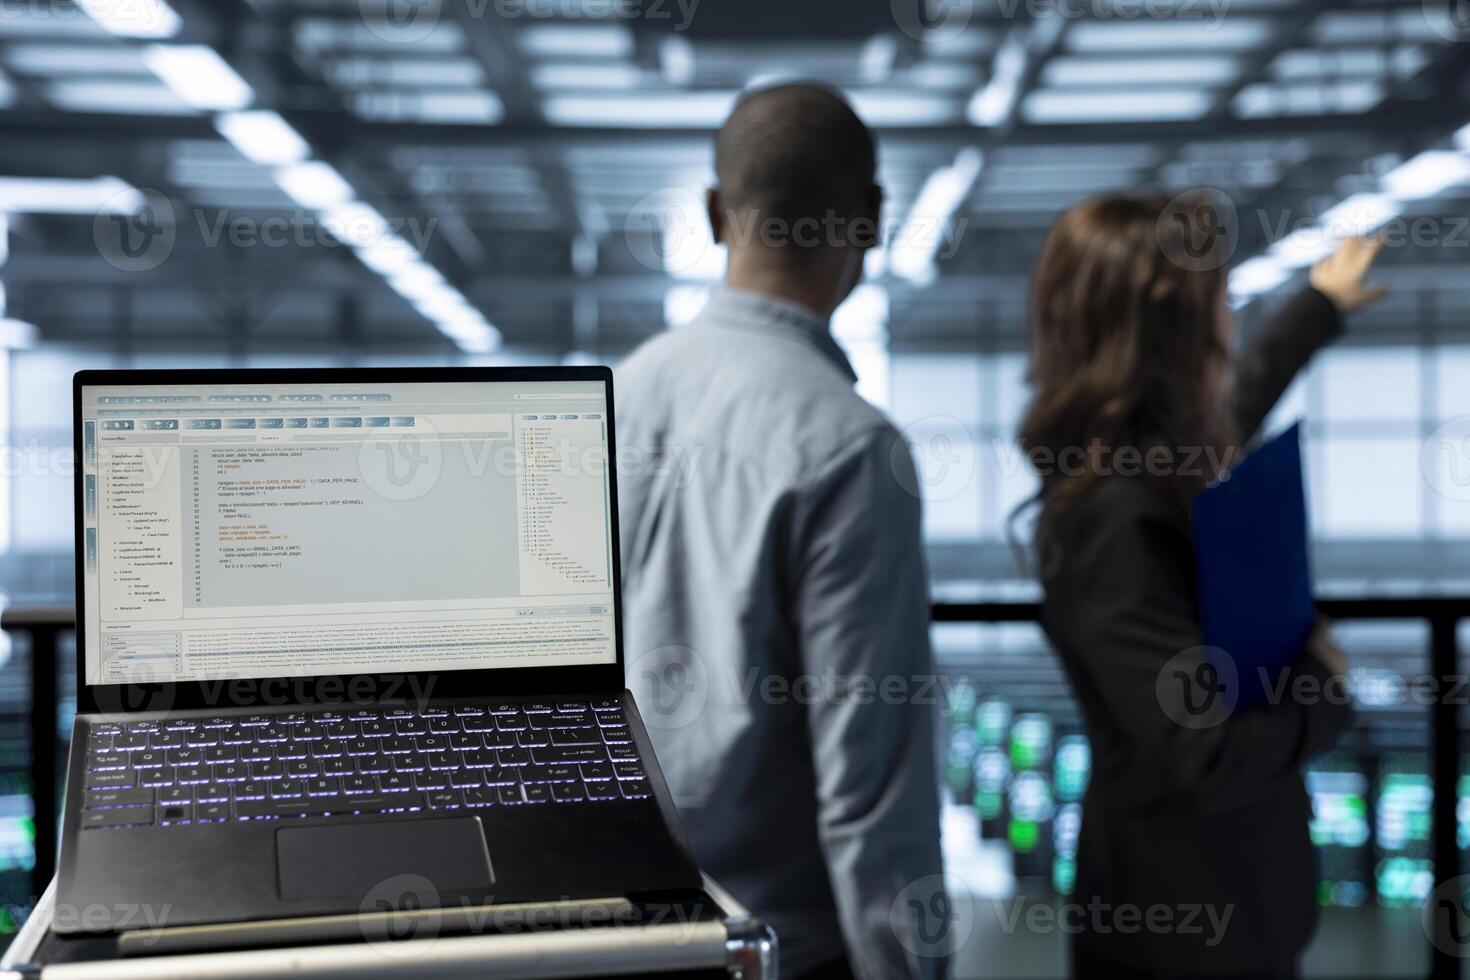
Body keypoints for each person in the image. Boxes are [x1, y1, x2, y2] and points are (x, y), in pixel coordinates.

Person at [614, 83, 945, 980]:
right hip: (774, 953)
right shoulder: (852, 448)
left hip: (610, 932)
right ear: (870, 218)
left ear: (716, 213)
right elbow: (873, 793)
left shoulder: (610, 403)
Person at [1017, 193, 1385, 979]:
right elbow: (1206, 754)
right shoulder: (1115, 517)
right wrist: (1324, 682)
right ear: (1172, 332)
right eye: (1218, 298)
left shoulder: (1149, 466)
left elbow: (1236, 405)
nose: (1230, 319)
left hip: (1221, 915)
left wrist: (1318, 307)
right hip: (1179, 938)